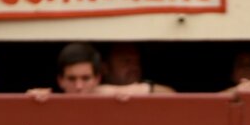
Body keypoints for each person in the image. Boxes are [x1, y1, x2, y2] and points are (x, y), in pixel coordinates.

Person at [28, 42, 165, 99]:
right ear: (60, 81)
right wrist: (32, 100)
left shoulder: (109, 95)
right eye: (71, 79)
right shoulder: (48, 99)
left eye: (86, 78)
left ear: (97, 79)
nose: (79, 86)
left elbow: (171, 94)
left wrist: (123, 91)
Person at [102, 42, 176, 93]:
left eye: (137, 61)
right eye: (126, 61)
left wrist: (144, 89)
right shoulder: (93, 87)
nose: (135, 67)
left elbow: (171, 94)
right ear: (105, 68)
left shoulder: (145, 89)